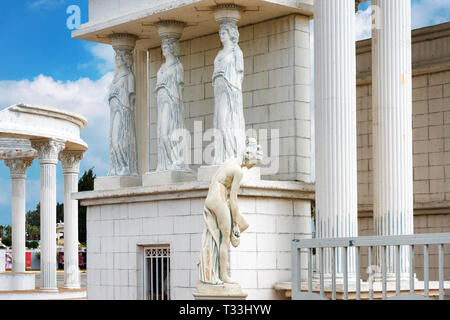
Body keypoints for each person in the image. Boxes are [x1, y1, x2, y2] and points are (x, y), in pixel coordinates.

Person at [198, 137, 262, 285]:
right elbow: (233, 200)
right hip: (218, 199)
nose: (253, 166)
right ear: (248, 156)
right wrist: (234, 224)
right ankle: (223, 275)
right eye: (255, 162)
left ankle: (217, 266)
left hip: (212, 197)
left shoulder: (230, 161)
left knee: (221, 237)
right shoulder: (238, 171)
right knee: (225, 240)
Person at [212, 21, 245, 165]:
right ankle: (221, 156)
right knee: (219, 124)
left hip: (230, 91)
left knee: (226, 123)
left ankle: (232, 155)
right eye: (220, 33)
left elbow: (239, 77)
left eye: (224, 33)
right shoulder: (220, 53)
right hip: (219, 91)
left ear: (231, 34)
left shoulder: (236, 52)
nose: (221, 35)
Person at [156, 37, 189, 171]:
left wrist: (178, 109)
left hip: (172, 103)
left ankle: (176, 160)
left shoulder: (177, 66)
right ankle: (165, 163)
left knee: (167, 133)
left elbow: (180, 87)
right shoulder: (162, 67)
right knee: (161, 133)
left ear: (172, 47)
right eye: (163, 45)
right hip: (161, 102)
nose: (164, 48)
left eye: (166, 46)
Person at [108, 48, 138, 176]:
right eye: (116, 57)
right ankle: (116, 167)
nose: (117, 59)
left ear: (126, 60)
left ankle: (126, 166)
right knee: (112, 140)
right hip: (114, 111)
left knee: (118, 140)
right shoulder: (115, 78)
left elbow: (132, 99)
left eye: (120, 57)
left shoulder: (129, 76)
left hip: (123, 111)